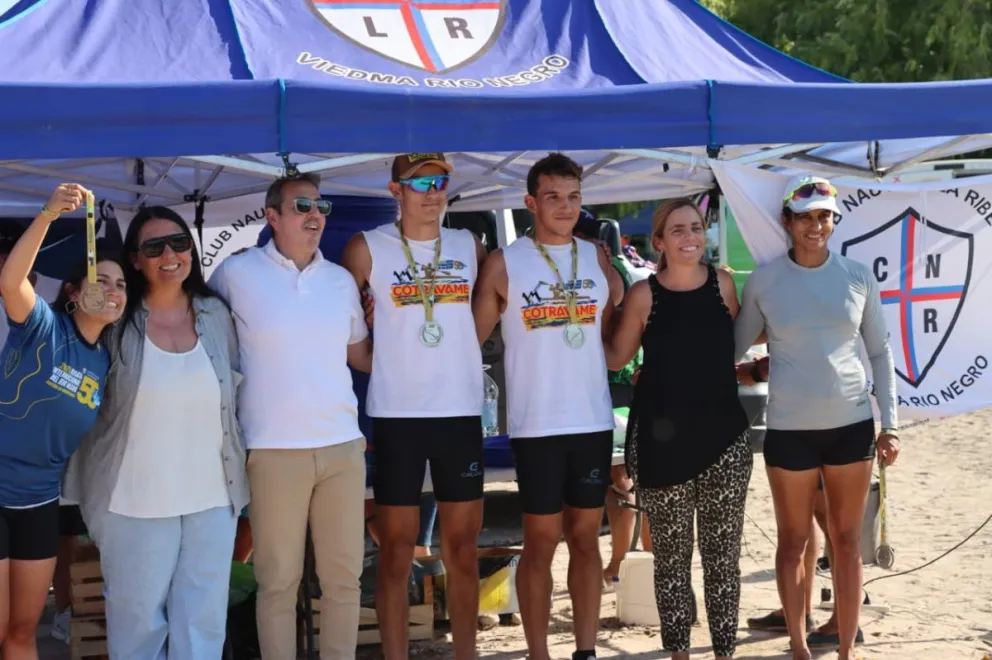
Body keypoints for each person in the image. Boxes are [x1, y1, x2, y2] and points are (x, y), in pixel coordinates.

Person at [65, 206, 249, 659]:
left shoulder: (216, 313)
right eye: (154, 247)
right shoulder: (114, 320)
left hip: (212, 497)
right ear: (135, 258)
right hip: (132, 499)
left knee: (203, 622)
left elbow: (236, 393)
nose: (170, 255)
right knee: (137, 625)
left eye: (179, 243)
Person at [734, 175, 900, 660]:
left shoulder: (857, 275)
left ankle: (846, 650)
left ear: (834, 220)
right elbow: (731, 348)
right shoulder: (764, 280)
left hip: (851, 426)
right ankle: (799, 647)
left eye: (824, 216)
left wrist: (890, 425)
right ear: (786, 221)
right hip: (789, 430)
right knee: (793, 542)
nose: (815, 226)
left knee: (846, 543)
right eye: (805, 217)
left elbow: (880, 354)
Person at [209, 172, 373, 660]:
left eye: (321, 206)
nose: (315, 215)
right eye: (302, 206)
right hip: (273, 449)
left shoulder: (340, 281)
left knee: (344, 580)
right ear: (272, 217)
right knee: (278, 582)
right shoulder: (235, 274)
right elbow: (205, 341)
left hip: (342, 447)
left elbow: (361, 357)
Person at [473, 152, 624, 660]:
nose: (565, 207)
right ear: (531, 202)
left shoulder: (596, 257)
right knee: (541, 540)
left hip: (591, 420)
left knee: (585, 538)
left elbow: (610, 337)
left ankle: (586, 650)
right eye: (553, 197)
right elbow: (470, 338)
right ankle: (538, 653)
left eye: (573, 197)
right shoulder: (505, 262)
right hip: (537, 424)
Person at [341, 153, 485, 660]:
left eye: (440, 182)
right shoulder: (366, 247)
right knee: (397, 551)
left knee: (462, 549)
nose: (433, 192)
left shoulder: (469, 245)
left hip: (460, 412)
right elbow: (343, 325)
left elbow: (489, 311)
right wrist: (381, 360)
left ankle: (466, 654)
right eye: (420, 183)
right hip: (398, 415)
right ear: (394, 190)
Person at [603, 199, 753, 660]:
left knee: (723, 559)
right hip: (661, 445)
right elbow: (616, 357)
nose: (690, 237)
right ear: (660, 242)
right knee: (671, 563)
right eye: (678, 230)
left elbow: (741, 342)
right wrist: (594, 311)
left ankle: (724, 653)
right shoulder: (643, 295)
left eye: (696, 227)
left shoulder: (723, 284)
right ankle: (679, 654)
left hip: (725, 442)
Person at [0, 184, 126, 659]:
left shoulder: (106, 362)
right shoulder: (42, 327)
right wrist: (48, 214)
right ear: (73, 291)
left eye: (121, 285)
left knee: (22, 630)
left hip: (38, 502)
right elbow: (11, 282)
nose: (113, 291)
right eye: (103, 280)